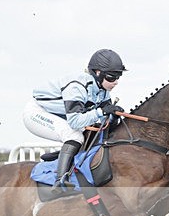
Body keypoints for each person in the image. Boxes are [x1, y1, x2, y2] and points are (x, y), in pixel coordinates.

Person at [23, 49, 127, 193]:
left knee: (89, 134)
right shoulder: (77, 86)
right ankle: (60, 181)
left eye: (118, 77)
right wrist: (102, 111)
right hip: (37, 112)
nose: (115, 82)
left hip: (60, 115)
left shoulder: (102, 90)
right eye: (111, 77)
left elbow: (101, 120)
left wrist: (112, 116)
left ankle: (59, 158)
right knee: (74, 135)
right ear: (98, 73)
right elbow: (75, 122)